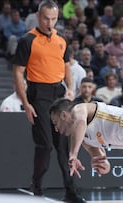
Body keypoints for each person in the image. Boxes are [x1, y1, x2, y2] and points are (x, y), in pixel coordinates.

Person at [12, 1, 85, 202]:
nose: (49, 22)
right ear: (38, 16)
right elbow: (18, 72)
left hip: (59, 93)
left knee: (63, 145)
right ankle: (36, 186)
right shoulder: (27, 40)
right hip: (39, 93)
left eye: (53, 18)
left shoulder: (61, 41)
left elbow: (66, 65)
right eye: (46, 18)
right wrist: (26, 103)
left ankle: (71, 191)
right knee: (45, 144)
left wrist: (70, 89)